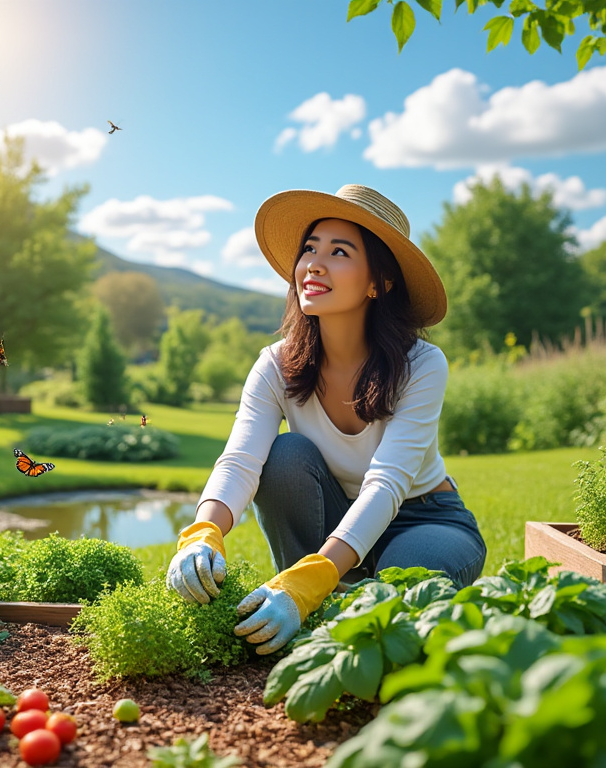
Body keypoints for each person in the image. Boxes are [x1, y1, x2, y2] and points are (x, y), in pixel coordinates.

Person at [166, 184, 487, 655]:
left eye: (339, 252)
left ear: (379, 282)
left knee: (388, 601)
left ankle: (318, 587)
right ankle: (309, 589)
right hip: (333, 514)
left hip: (422, 519)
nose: (314, 263)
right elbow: (240, 461)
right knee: (284, 454)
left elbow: (387, 483)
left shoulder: (422, 364)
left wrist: (309, 581)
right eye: (310, 249)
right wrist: (203, 532)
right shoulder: (275, 364)